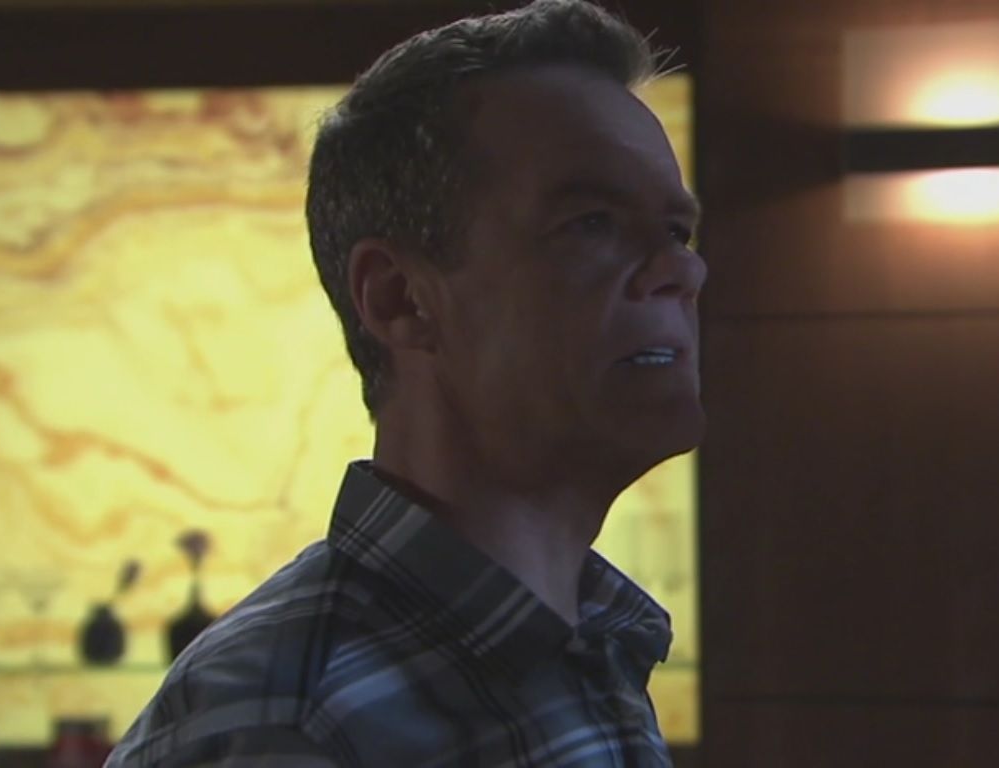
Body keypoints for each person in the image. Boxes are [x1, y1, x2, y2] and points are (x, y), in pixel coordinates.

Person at [105, 0, 705, 764]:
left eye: (676, 231)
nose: (681, 271)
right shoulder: (281, 725)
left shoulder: (594, 644)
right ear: (399, 298)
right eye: (591, 222)